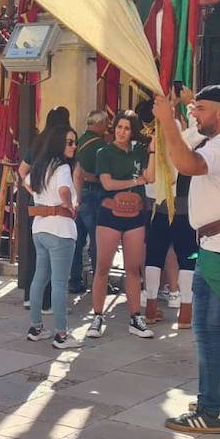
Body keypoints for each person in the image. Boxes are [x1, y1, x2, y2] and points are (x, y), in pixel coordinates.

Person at [153, 85, 220, 434]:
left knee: (210, 331)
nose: (193, 114)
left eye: (200, 109)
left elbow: (185, 163)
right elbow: (182, 154)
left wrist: (167, 121)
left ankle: (211, 411)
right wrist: (176, 123)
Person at [88, 109, 155, 339]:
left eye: (127, 128)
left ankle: (136, 317)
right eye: (119, 127)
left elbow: (152, 176)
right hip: (110, 214)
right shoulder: (104, 152)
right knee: (103, 266)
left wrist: (153, 148)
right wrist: (136, 181)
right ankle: (97, 315)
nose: (122, 132)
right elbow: (107, 184)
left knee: (134, 268)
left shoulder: (139, 152)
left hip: (135, 214)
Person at [138, 101, 198, 327]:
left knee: (154, 256)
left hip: (156, 206)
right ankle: (185, 311)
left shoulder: (151, 142)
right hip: (182, 208)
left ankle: (151, 307)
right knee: (188, 257)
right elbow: (199, 129)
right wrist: (191, 102)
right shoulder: (182, 140)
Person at [24, 122, 82, 349]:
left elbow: (27, 182)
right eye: (69, 142)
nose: (74, 146)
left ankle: (36, 327)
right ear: (59, 143)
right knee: (59, 283)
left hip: (40, 227)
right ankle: (61, 334)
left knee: (40, 277)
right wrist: (69, 206)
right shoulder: (63, 168)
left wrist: (43, 201)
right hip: (61, 229)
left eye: (74, 142)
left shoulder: (41, 165)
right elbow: (64, 191)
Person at [73, 110, 110, 294]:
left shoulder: (77, 141)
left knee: (77, 240)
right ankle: (99, 282)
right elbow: (103, 176)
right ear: (100, 124)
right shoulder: (100, 146)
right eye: (106, 122)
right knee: (98, 241)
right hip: (94, 196)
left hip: (77, 194)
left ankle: (74, 280)